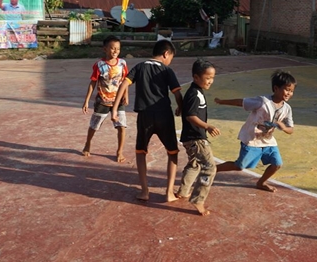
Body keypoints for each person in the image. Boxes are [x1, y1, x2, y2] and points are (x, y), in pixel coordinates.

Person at [111, 39, 183, 202]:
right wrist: (180, 107)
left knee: (141, 152)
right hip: (164, 115)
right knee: (172, 153)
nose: (170, 60)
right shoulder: (167, 70)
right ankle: (169, 192)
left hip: (145, 116)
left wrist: (115, 108)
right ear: (166, 54)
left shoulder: (140, 67)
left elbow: (124, 85)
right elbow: (177, 94)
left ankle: (144, 191)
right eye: (171, 57)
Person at [215, 70, 296, 192]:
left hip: (268, 141)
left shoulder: (287, 109)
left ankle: (261, 183)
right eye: (287, 89)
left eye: (291, 91)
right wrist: (222, 101)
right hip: (252, 140)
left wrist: (284, 128)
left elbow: (291, 129)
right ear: (276, 88)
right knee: (239, 166)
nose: (289, 93)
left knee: (277, 164)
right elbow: (240, 102)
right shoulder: (263, 102)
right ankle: (212, 169)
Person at [176, 59, 220, 216]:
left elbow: (186, 109)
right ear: (196, 77)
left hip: (191, 137)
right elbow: (190, 116)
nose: (210, 81)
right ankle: (198, 200)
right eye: (207, 78)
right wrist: (207, 126)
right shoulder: (195, 94)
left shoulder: (195, 91)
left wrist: (180, 107)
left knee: (194, 164)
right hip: (196, 138)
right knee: (209, 167)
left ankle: (183, 191)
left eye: (212, 77)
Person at [82, 35, 129, 163]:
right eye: (112, 48)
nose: (115, 51)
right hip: (102, 101)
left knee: (121, 126)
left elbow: (126, 80)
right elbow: (92, 83)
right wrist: (86, 100)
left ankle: (119, 151)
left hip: (118, 101)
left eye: (118, 49)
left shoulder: (122, 63)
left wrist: (126, 95)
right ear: (105, 49)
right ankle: (88, 143)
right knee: (94, 126)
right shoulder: (99, 65)